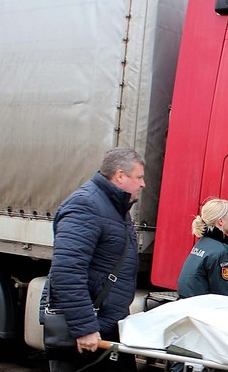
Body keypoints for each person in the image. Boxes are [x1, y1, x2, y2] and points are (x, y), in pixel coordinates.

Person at [44, 147, 144, 372]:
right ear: (120, 175)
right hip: (88, 332)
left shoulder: (115, 208)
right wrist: (84, 328)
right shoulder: (86, 205)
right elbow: (67, 271)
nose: (143, 184)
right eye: (139, 177)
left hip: (106, 325)